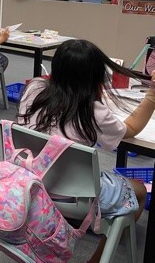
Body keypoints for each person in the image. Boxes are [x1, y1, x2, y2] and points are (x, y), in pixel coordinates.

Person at [17, 39, 155, 263]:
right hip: (74, 196)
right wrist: (152, 95)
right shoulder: (91, 110)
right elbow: (129, 129)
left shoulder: (33, 89)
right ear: (95, 77)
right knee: (138, 191)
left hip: (29, 182)